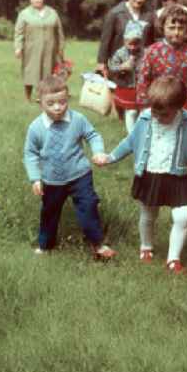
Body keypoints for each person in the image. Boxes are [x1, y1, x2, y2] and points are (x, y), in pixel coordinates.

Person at [96, 76, 187, 274]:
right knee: (149, 214)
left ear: (178, 107)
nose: (158, 117)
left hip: (176, 176)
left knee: (183, 216)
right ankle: (146, 248)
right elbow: (129, 142)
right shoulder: (145, 119)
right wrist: (110, 157)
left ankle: (173, 259)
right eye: (155, 111)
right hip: (150, 174)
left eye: (165, 114)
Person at [22, 74, 116, 259]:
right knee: (49, 212)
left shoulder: (78, 119)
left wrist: (98, 151)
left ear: (68, 99)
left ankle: (98, 244)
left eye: (62, 102)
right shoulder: (36, 128)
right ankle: (45, 245)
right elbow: (30, 154)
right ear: (40, 103)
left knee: (88, 207)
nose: (57, 108)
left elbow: (92, 135)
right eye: (51, 104)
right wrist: (35, 178)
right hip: (51, 180)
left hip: (80, 175)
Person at [136, 4, 187, 114]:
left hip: (183, 107)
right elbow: (143, 80)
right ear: (162, 27)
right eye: (171, 28)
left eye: (181, 28)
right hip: (158, 106)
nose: (176, 32)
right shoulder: (152, 51)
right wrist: (144, 107)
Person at [14, 0, 65, 102]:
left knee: (48, 72)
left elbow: (59, 32)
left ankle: (43, 96)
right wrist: (18, 47)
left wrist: (61, 48)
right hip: (32, 49)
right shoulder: (24, 14)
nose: (36, 0)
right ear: (30, 0)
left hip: (50, 49)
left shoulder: (52, 13)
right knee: (31, 72)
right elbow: (19, 32)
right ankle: (28, 98)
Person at [97, 0, 156, 77]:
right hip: (119, 65)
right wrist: (101, 63)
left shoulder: (150, 15)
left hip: (142, 65)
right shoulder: (115, 13)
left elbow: (153, 40)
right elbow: (105, 40)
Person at [107, 20, 145, 133]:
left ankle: (140, 131)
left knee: (142, 111)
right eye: (130, 44)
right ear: (124, 41)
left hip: (141, 87)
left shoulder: (144, 52)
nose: (133, 47)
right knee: (131, 111)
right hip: (126, 87)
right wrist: (122, 67)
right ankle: (131, 135)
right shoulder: (120, 53)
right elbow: (111, 69)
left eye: (136, 44)